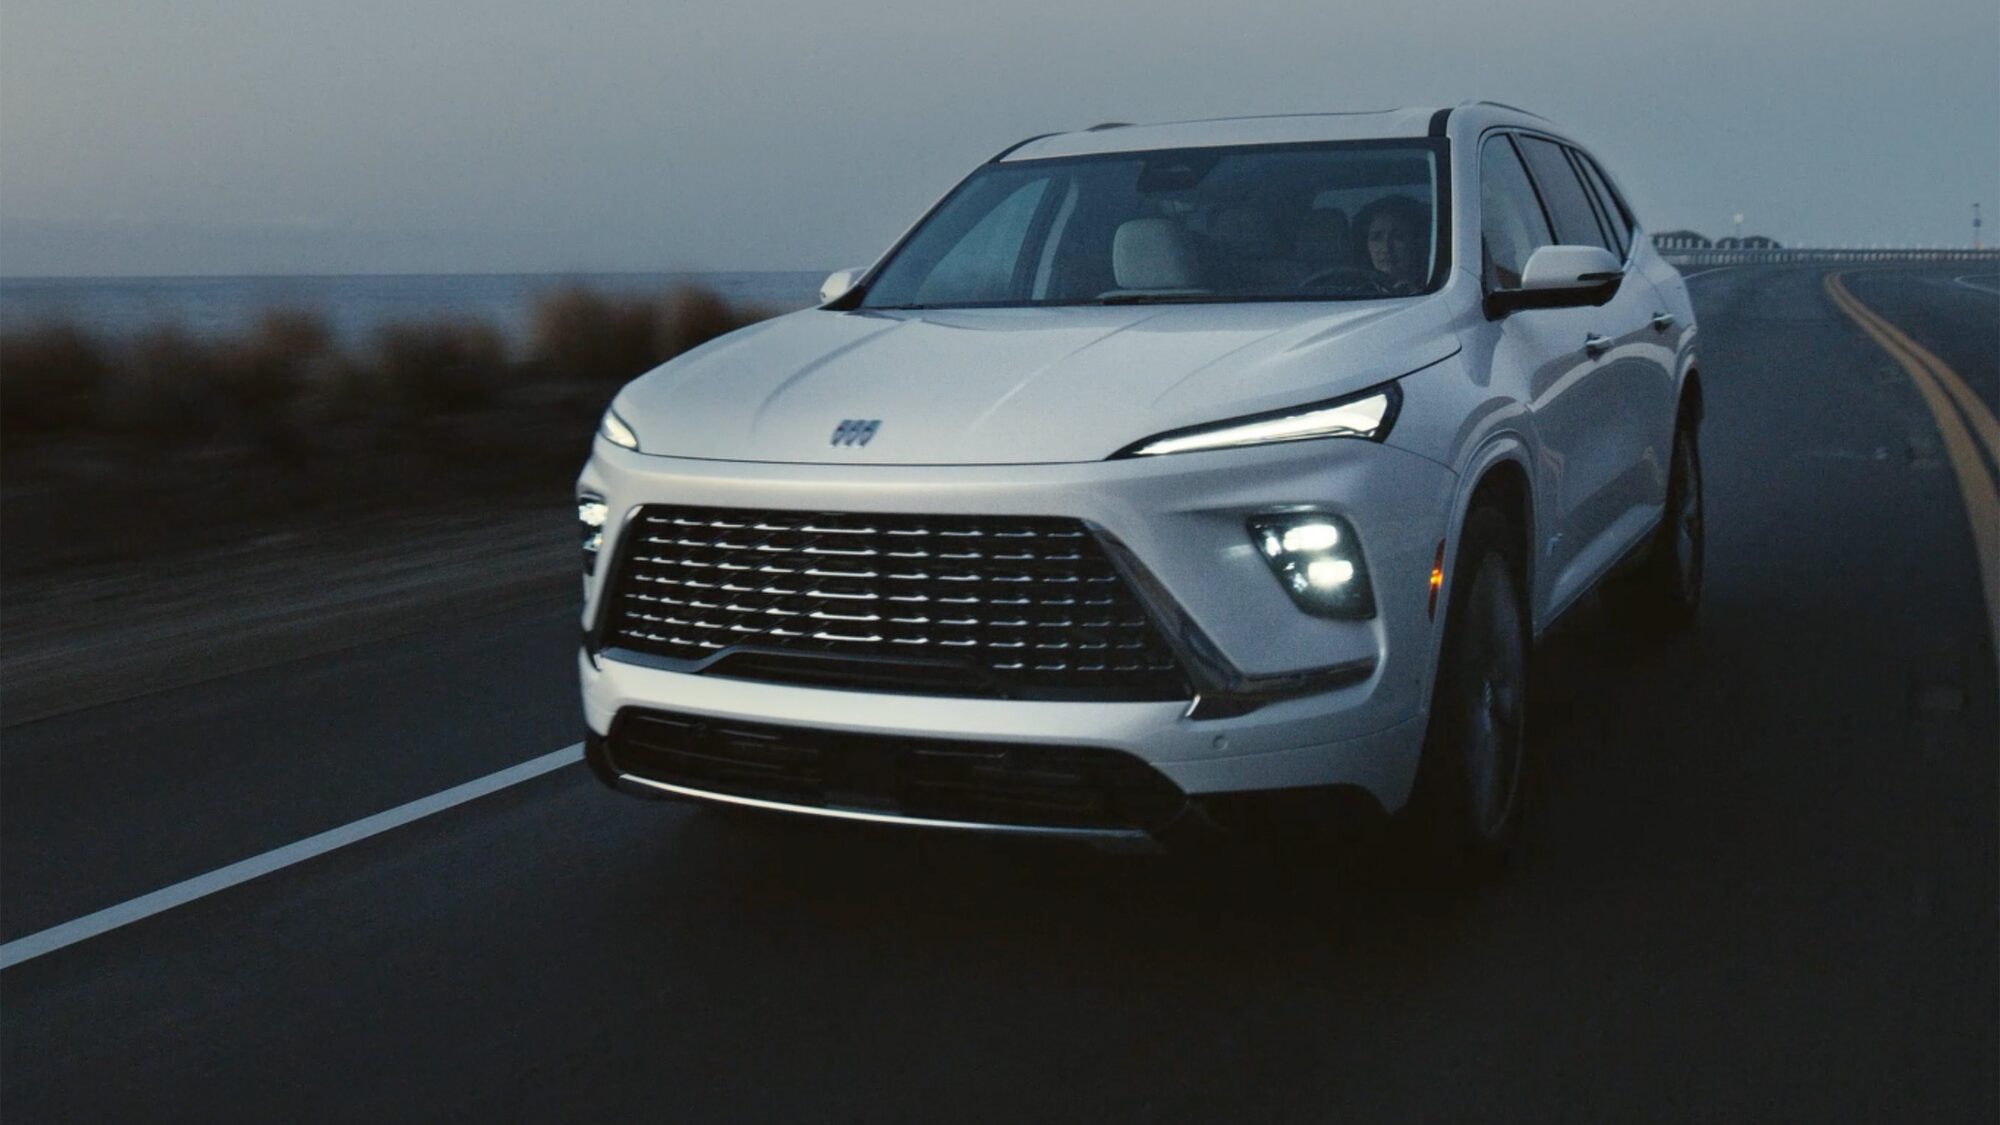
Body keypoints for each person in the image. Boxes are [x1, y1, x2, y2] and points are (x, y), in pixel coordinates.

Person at [1355, 195, 1432, 293]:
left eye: (1398, 237)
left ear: (1417, 241)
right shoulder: (1353, 292)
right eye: (1376, 238)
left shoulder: (1438, 290)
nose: (1386, 248)